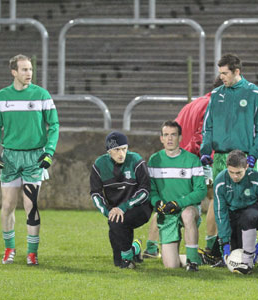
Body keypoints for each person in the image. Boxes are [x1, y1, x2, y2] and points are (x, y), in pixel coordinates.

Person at [0, 54, 59, 266]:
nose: (29, 73)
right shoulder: (1, 97)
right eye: (24, 70)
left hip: (34, 158)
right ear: (14, 72)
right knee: (8, 204)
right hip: (9, 157)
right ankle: (9, 248)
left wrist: (49, 152)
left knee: (31, 205)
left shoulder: (41, 95)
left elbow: (54, 126)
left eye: (30, 69)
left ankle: (31, 252)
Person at [143, 77, 223, 260]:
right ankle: (211, 246)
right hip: (192, 159)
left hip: (174, 157)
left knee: (165, 201)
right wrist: (204, 158)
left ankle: (152, 246)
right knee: (214, 197)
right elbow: (201, 135)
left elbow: (176, 126)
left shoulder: (192, 104)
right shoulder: (213, 104)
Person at [148, 121, 207, 271]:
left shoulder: (192, 160)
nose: (169, 138)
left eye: (173, 135)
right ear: (161, 138)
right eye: (166, 135)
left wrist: (178, 204)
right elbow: (152, 190)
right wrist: (157, 203)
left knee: (187, 214)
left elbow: (201, 191)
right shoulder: (154, 160)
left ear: (180, 137)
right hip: (167, 214)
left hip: (186, 208)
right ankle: (187, 258)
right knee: (171, 266)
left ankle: (193, 261)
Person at [90, 132, 152, 269]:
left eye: (124, 149)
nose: (121, 154)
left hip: (140, 207)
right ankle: (134, 250)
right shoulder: (99, 165)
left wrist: (124, 207)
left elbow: (145, 190)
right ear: (108, 151)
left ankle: (127, 259)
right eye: (117, 150)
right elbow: (95, 193)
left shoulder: (136, 160)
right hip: (116, 211)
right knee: (116, 260)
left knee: (117, 222)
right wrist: (108, 211)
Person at [200, 53, 258, 181]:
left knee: (248, 198)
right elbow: (208, 126)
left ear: (237, 71)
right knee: (221, 198)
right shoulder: (216, 94)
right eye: (220, 73)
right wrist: (205, 151)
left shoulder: (254, 94)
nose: (221, 77)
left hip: (245, 159)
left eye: (225, 73)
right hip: (220, 159)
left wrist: (254, 154)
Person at [213, 150, 258, 274]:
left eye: (239, 173)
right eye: (231, 172)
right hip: (233, 216)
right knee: (236, 252)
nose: (235, 176)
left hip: (253, 214)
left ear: (246, 167)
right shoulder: (221, 181)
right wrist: (225, 242)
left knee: (247, 217)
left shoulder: (256, 178)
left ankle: (248, 263)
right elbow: (220, 213)